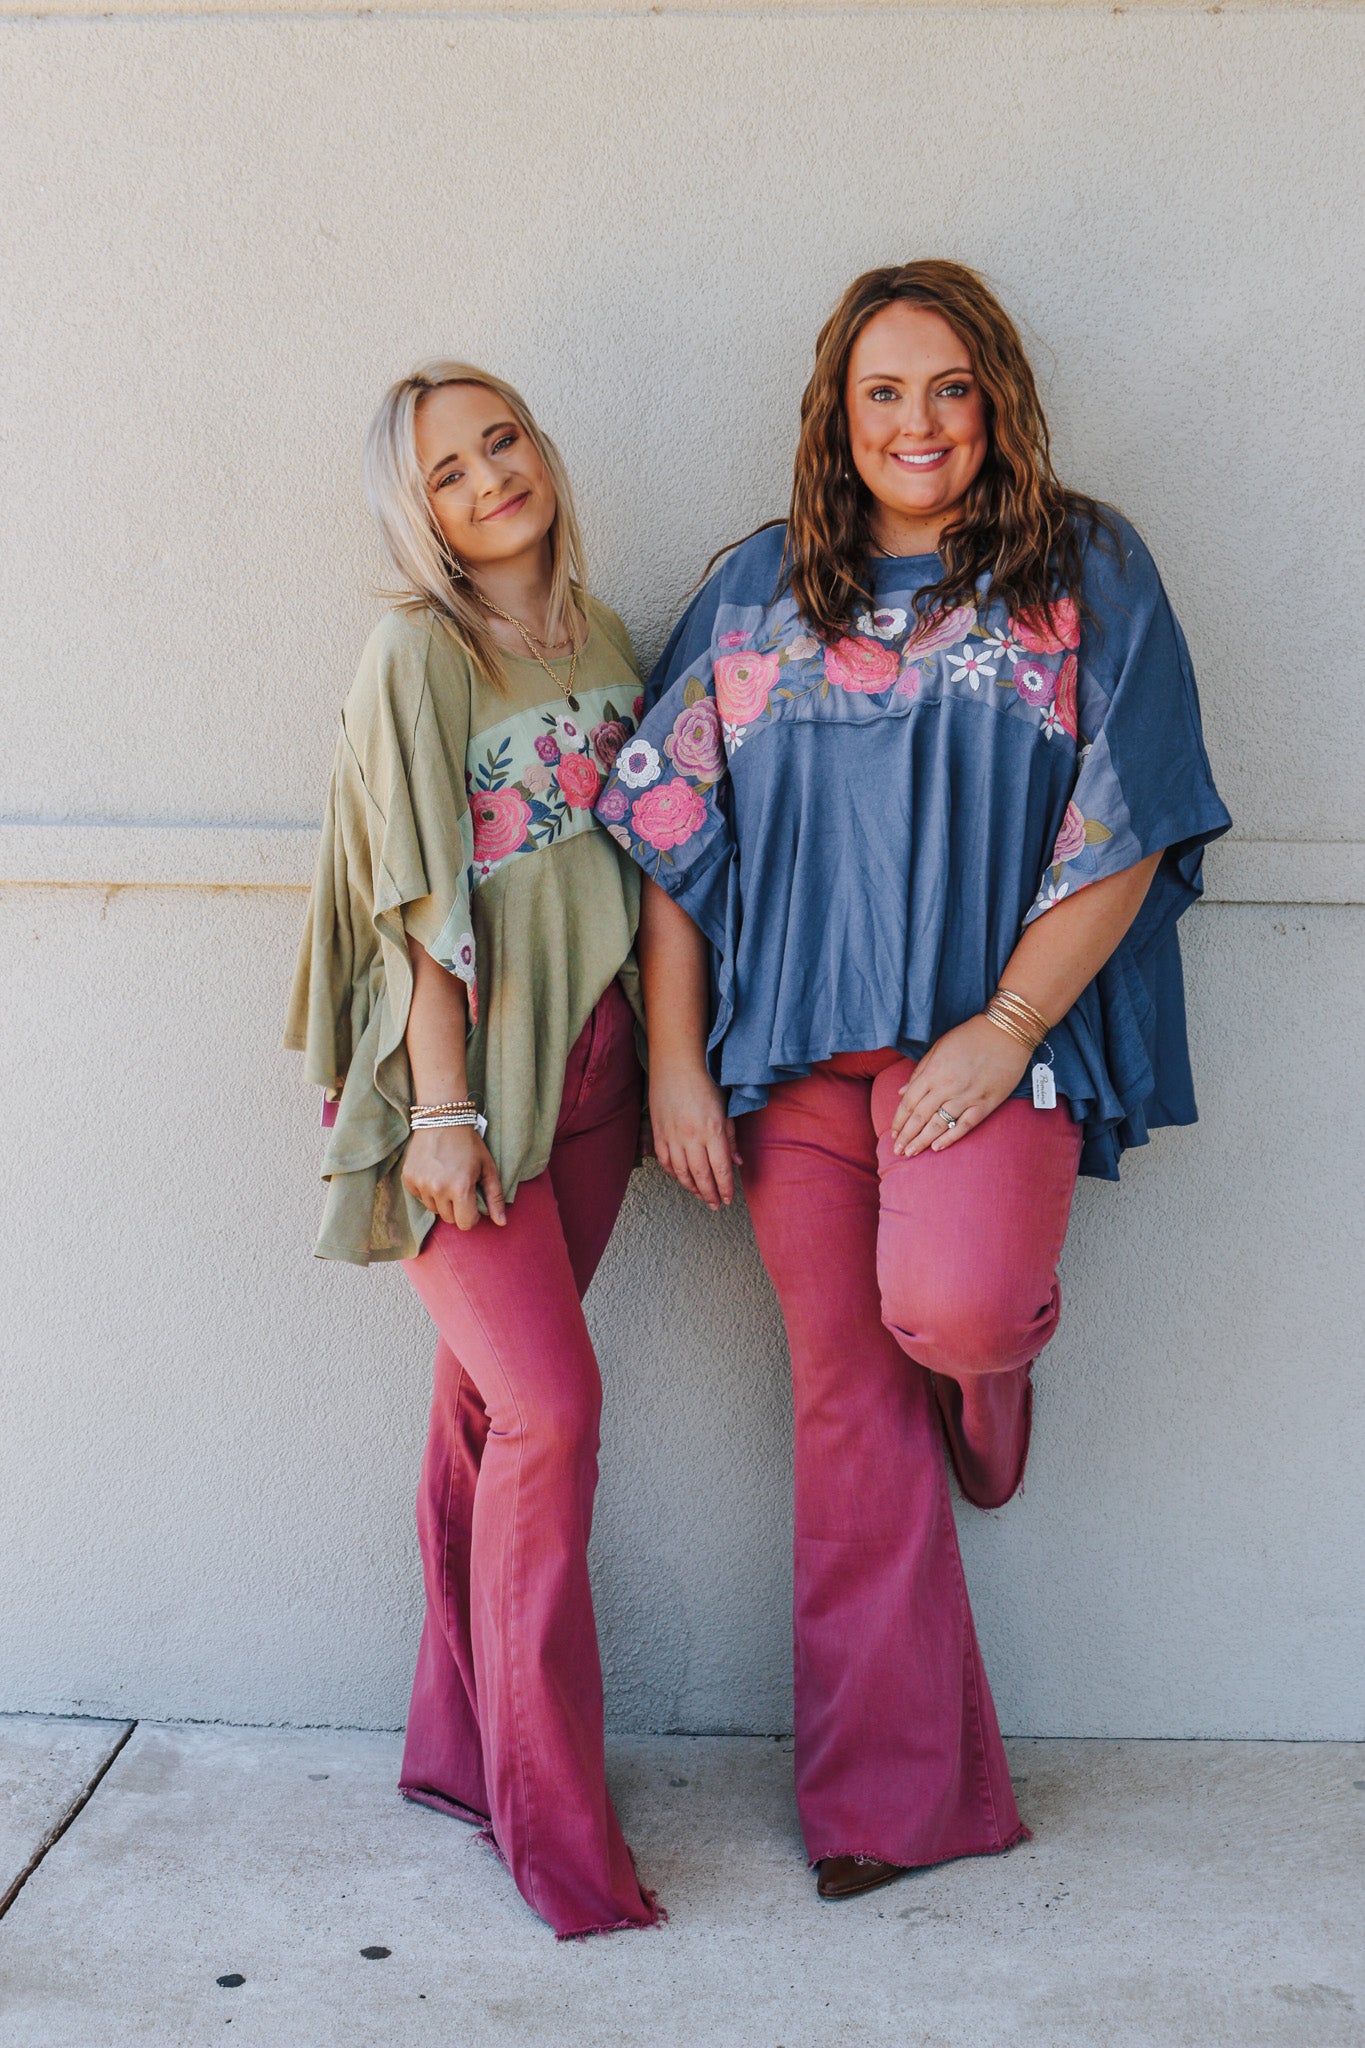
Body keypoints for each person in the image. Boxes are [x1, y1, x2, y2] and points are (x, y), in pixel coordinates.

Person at [598, 261, 1230, 1901]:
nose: (917, 421)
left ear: (996, 394)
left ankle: (991, 1376)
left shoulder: (1084, 568)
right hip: (796, 1060)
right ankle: (889, 1809)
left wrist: (1010, 1026)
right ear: (837, 412)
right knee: (844, 1413)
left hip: (985, 1047)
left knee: (948, 1312)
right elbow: (673, 827)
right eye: (883, 391)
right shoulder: (758, 587)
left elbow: (1134, 810)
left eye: (947, 385)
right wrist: (676, 1059)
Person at [286, 362, 659, 1938]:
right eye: (446, 471)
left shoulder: (606, 633)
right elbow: (418, 905)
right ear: (416, 512)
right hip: (465, 1102)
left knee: (483, 1420)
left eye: (500, 440)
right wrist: (439, 1113)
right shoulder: (415, 653)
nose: (489, 477)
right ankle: (548, 1819)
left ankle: (454, 1750)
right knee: (554, 1412)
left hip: (597, 1083)